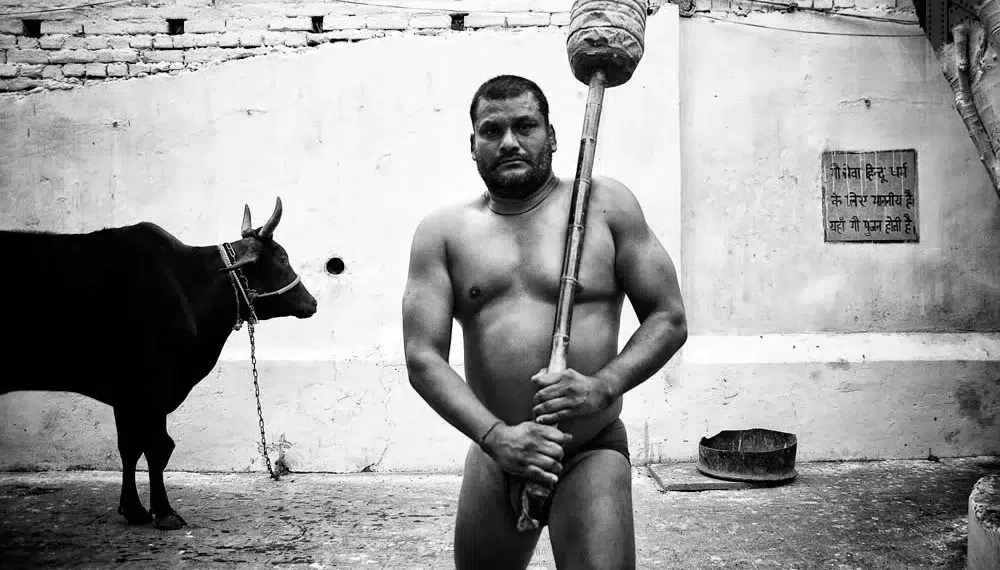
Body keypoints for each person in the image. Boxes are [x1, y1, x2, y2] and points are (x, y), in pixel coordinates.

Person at [401, 74, 687, 570]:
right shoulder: (443, 233)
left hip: (588, 451)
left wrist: (604, 385)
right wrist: (496, 438)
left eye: (525, 126)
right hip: (497, 454)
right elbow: (422, 358)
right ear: (472, 145)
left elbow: (668, 318)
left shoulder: (604, 206)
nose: (509, 141)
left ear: (552, 137)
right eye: (491, 130)